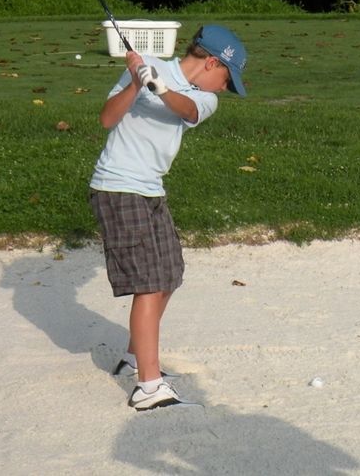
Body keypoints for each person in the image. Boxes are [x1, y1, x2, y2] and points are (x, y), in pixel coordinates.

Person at [89, 24, 248, 410]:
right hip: (118, 186)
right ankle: (148, 387)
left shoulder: (204, 98)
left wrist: (158, 88)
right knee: (150, 283)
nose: (226, 87)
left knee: (169, 276)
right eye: (227, 78)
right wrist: (134, 83)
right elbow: (107, 120)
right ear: (212, 62)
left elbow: (188, 109)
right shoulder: (145, 67)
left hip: (150, 189)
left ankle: (133, 358)